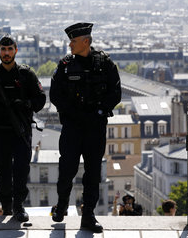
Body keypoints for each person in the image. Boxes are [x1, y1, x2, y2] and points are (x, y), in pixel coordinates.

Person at [50, 22, 121, 233]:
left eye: (73, 40)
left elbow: (115, 92)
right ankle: (62, 203)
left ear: (86, 41)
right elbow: (55, 95)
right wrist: (73, 113)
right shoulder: (64, 65)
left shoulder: (105, 64)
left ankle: (88, 215)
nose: (70, 44)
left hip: (95, 127)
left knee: (92, 174)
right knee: (67, 170)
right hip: (72, 127)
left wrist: (99, 112)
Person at [0, 34, 46, 222]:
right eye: (3, 50)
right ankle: (6, 206)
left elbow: (40, 99)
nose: (6, 53)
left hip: (21, 130)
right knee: (3, 171)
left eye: (9, 49)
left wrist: (25, 104)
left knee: (21, 169)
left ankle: (18, 206)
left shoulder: (25, 74)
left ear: (15, 50)